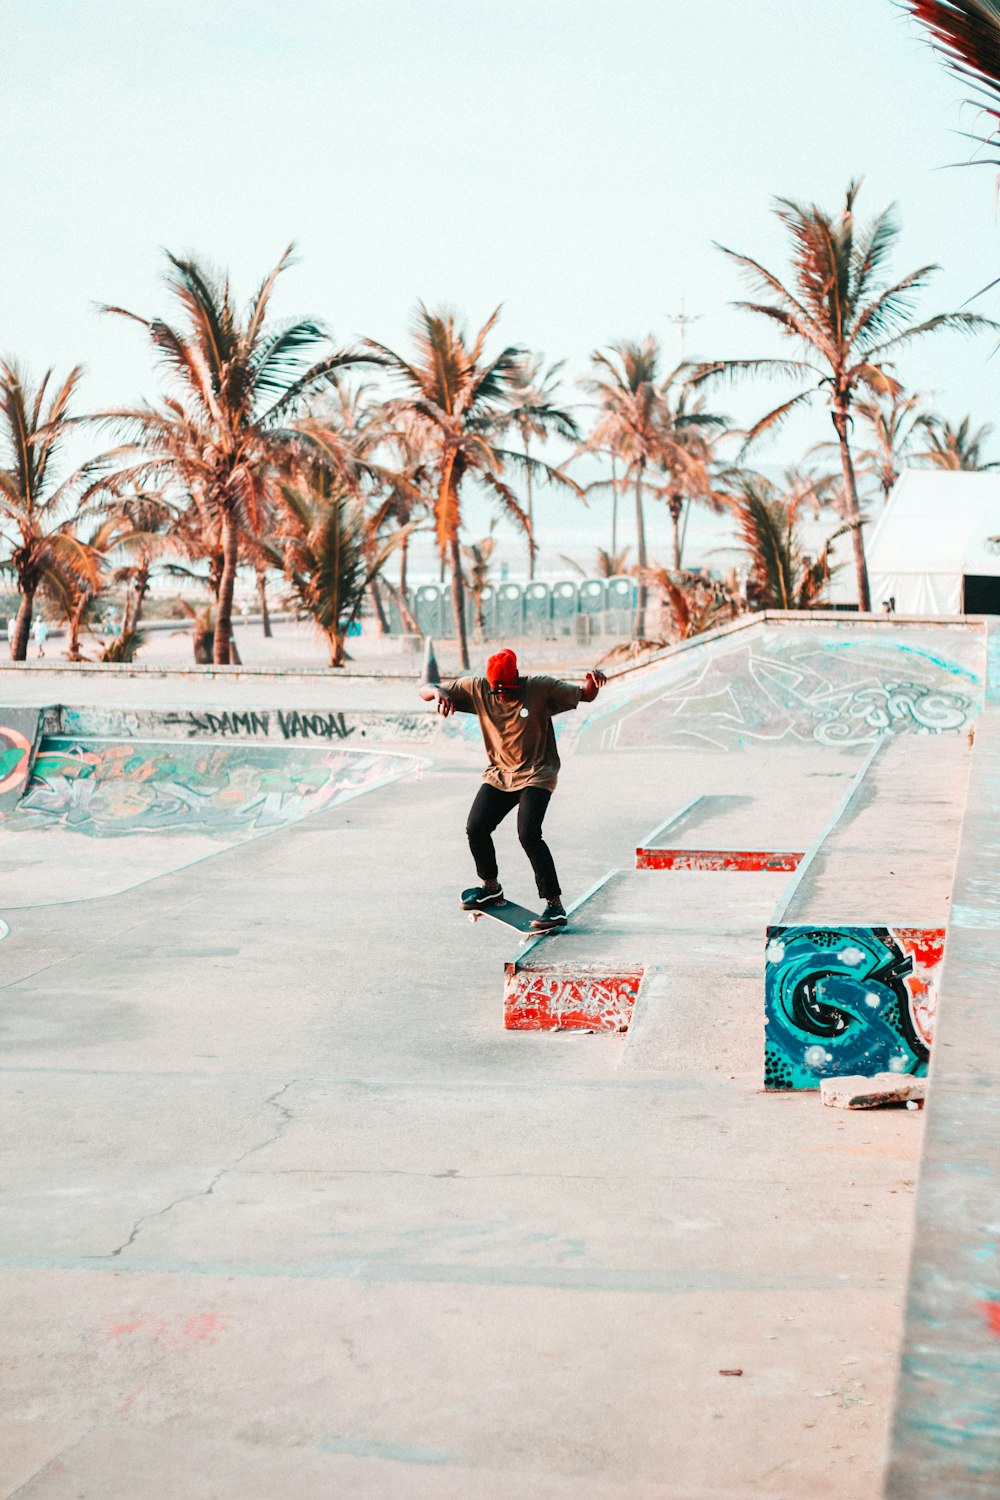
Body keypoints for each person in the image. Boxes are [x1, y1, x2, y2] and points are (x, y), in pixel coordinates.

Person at [420, 648, 607, 930]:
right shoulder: (476, 689)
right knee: (476, 827)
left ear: (518, 679)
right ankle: (491, 886)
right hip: (499, 774)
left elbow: (585, 694)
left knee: (528, 834)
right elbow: (424, 688)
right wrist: (437, 693)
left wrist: (593, 683)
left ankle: (554, 906)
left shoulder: (541, 688)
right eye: (499, 693)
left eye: (509, 691)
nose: (504, 697)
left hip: (537, 774)